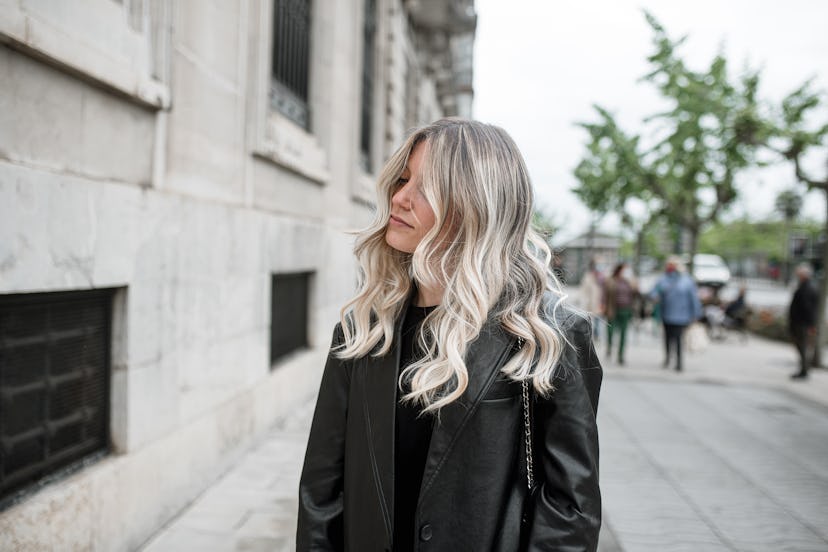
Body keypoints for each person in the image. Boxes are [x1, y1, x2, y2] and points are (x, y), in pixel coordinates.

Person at [297, 119, 602, 551]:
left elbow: (571, 508)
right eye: (402, 180)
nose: (398, 199)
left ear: (474, 204)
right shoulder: (365, 328)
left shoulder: (548, 334)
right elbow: (321, 490)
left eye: (424, 187)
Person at [650, 256, 702, 371]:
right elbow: (654, 292)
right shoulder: (663, 279)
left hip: (682, 316)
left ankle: (679, 362)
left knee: (678, 338)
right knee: (667, 337)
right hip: (666, 314)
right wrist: (655, 297)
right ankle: (668, 357)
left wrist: (696, 314)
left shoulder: (687, 280)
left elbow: (693, 298)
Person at [789, 264, 818, 379]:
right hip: (801, 323)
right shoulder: (804, 287)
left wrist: (811, 325)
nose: (797, 275)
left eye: (799, 273)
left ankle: (804, 370)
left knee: (803, 346)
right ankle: (803, 369)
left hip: (802, 324)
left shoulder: (807, 288)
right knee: (801, 347)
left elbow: (808, 309)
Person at [602, 262, 635, 365]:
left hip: (625, 310)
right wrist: (603, 306)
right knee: (610, 331)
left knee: (623, 334)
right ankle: (609, 348)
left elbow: (635, 292)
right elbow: (605, 294)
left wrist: (632, 280)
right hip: (613, 309)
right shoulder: (611, 280)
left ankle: (621, 355)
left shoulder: (628, 282)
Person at [579, 259, 604, 339]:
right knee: (589, 319)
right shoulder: (588, 276)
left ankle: (597, 335)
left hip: (599, 302)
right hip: (590, 303)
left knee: (598, 319)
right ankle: (588, 334)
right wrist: (584, 301)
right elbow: (584, 290)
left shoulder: (602, 277)